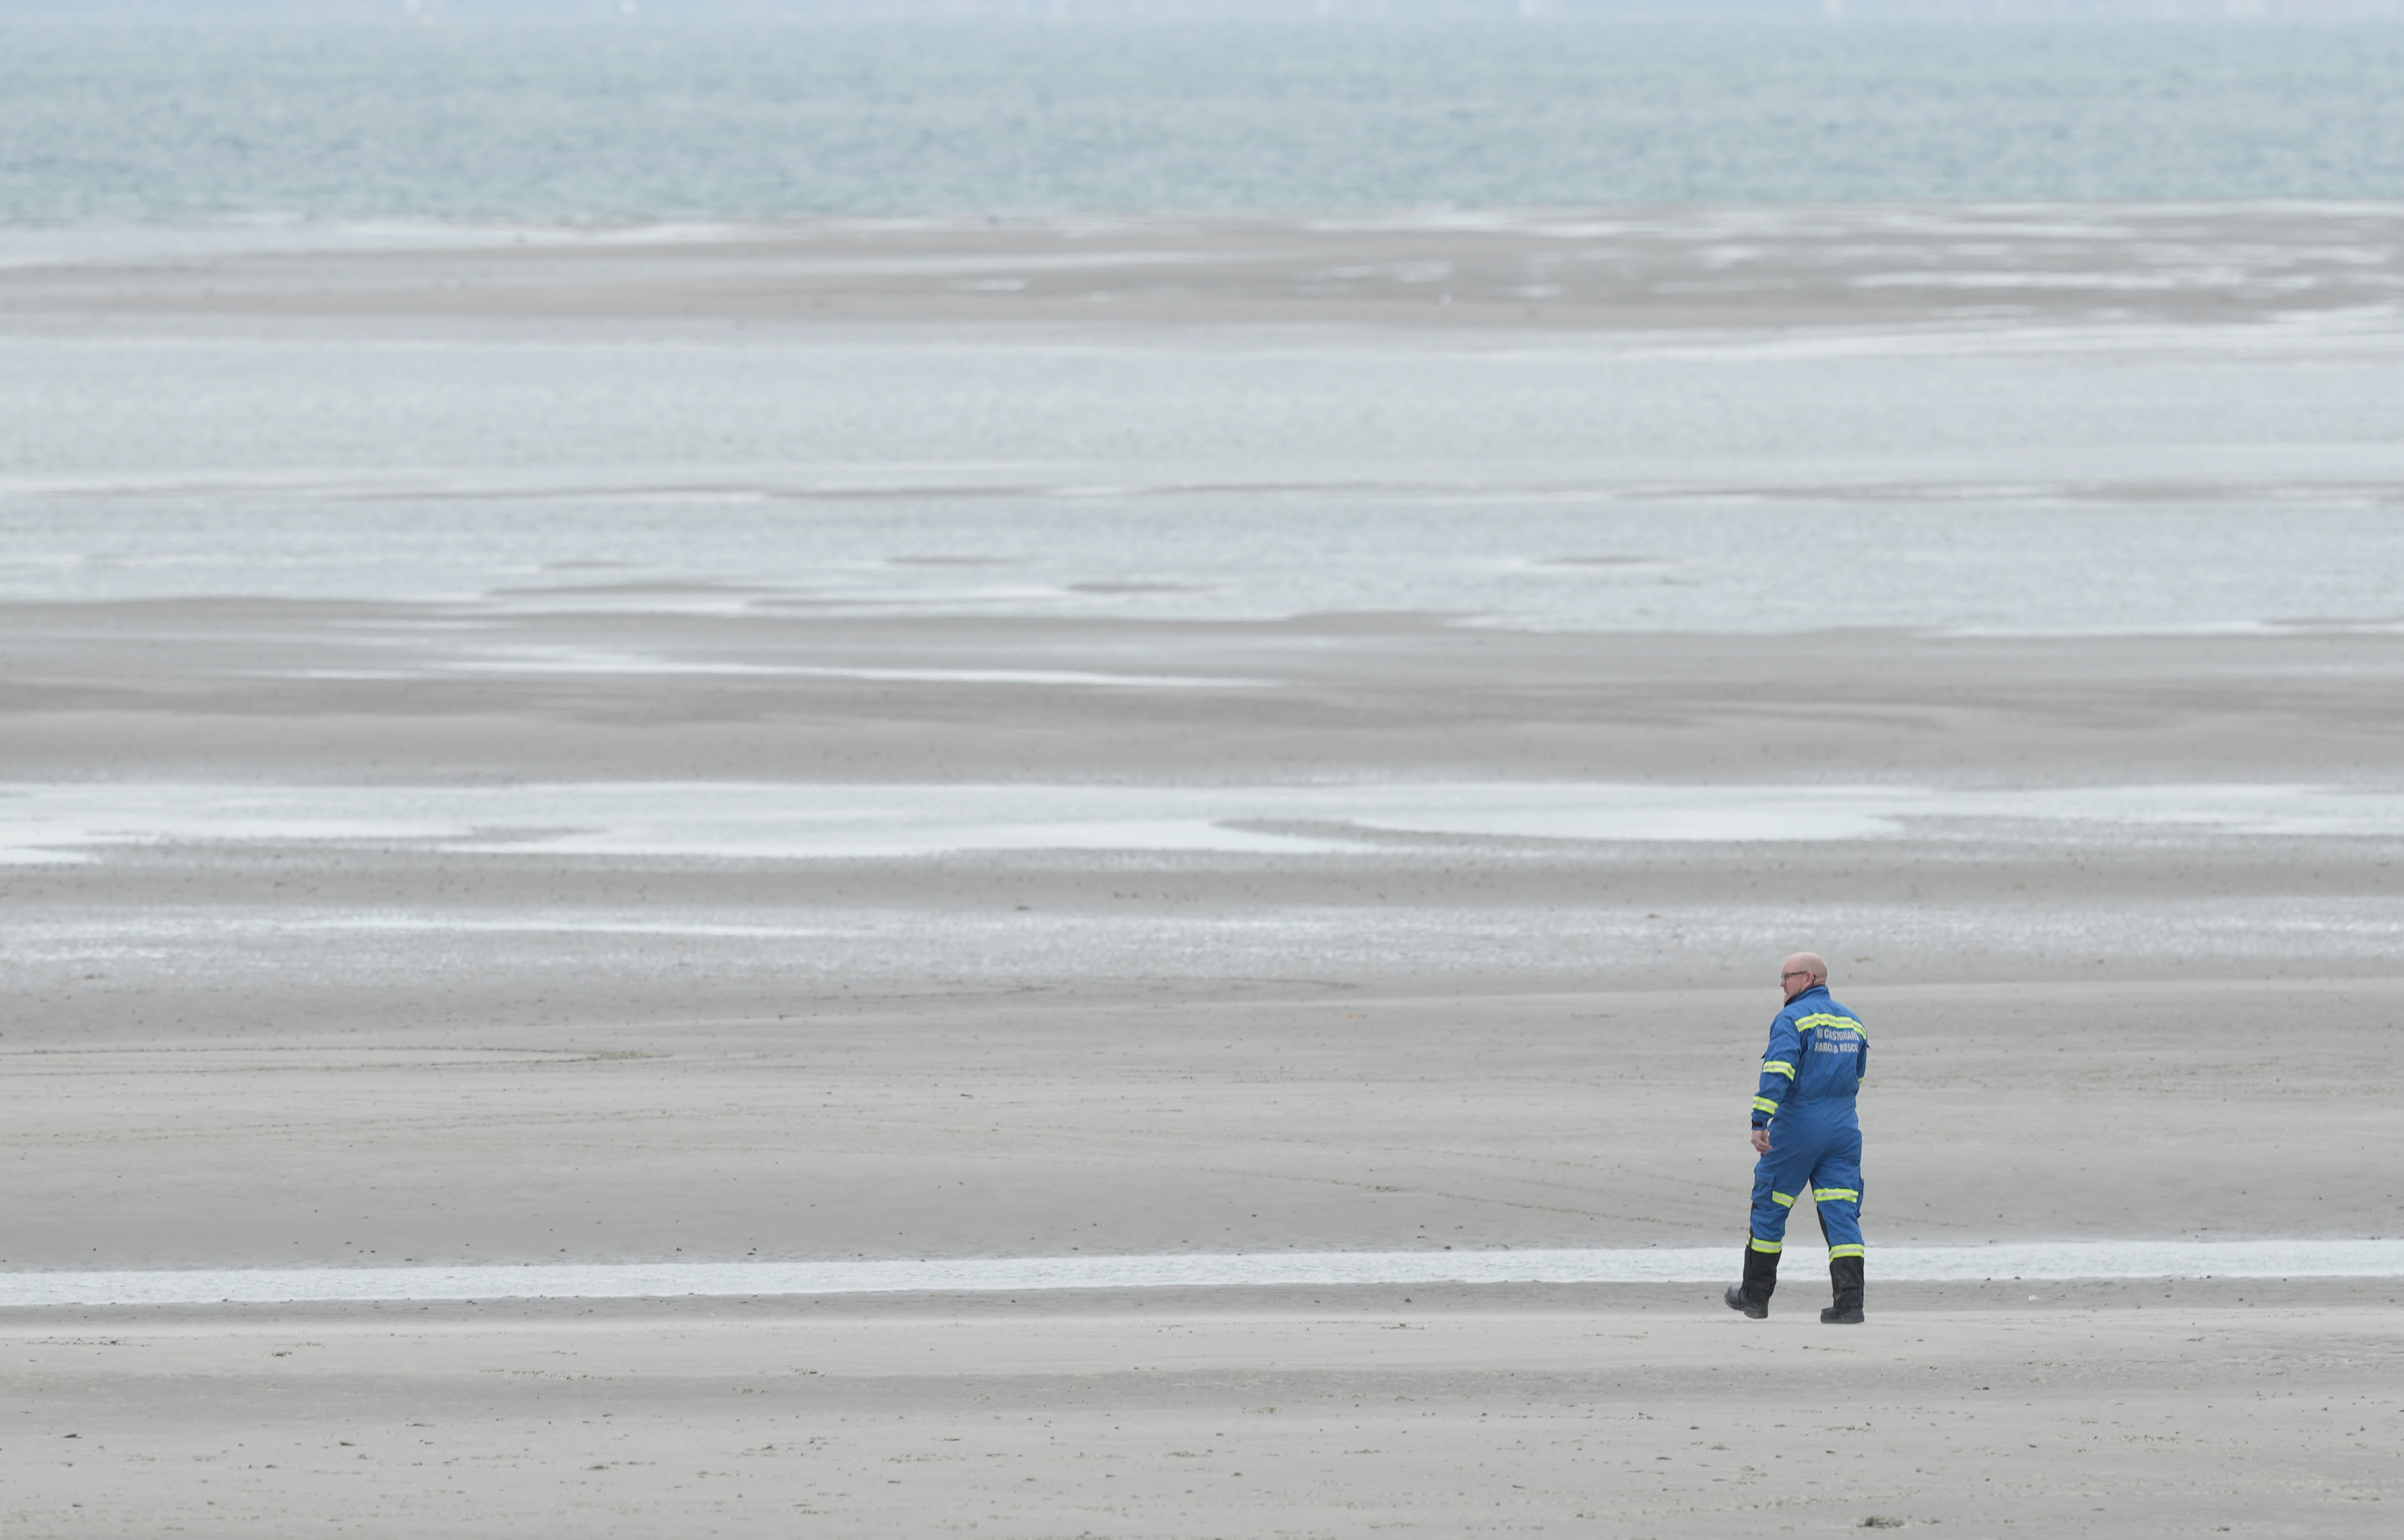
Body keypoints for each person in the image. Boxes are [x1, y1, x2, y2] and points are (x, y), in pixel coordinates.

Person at [1724, 951, 1868, 1324]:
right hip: (1843, 1129)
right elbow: (1858, 1076)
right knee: (1841, 1213)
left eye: (1786, 977)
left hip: (1798, 1126)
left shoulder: (1792, 1018)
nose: (1782, 985)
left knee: (1770, 1205)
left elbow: (1778, 1069)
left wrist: (1760, 1120)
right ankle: (1849, 1303)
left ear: (1807, 978)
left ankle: (1754, 1297)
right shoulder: (1853, 1022)